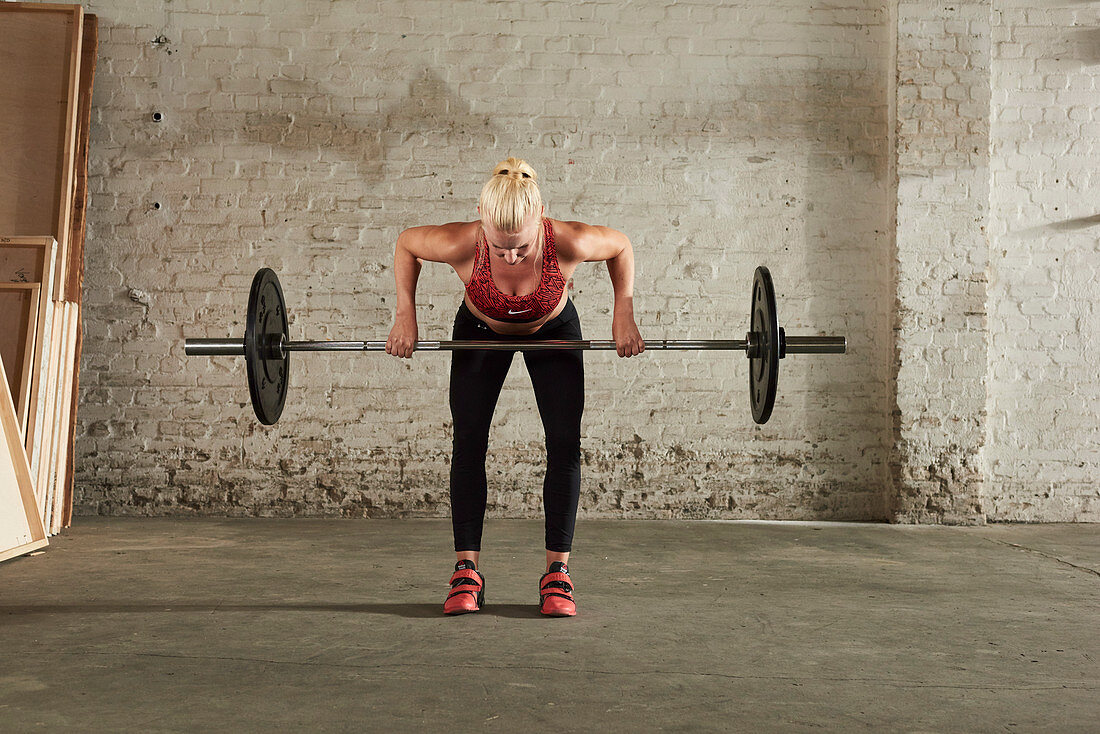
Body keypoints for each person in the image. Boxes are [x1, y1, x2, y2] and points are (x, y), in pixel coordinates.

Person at [385, 157, 644, 617]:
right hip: (480, 334)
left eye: (521, 247)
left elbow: (620, 246)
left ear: (540, 215)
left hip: (553, 332)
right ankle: (466, 571)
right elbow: (407, 244)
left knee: (563, 445)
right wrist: (406, 313)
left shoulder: (568, 241)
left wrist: (622, 309)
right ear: (482, 222)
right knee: (468, 444)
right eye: (500, 248)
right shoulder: (464, 243)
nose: (509, 257)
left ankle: (557, 577)